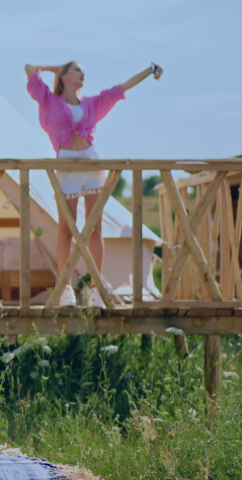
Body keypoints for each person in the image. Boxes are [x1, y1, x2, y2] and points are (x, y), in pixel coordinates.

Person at [24, 61, 163, 307]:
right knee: (66, 231)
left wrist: (149, 70)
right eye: (76, 69)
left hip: (91, 166)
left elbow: (120, 89)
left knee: (94, 229)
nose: (83, 73)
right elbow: (29, 69)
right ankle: (66, 289)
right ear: (65, 75)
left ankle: (95, 290)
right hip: (66, 169)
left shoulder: (91, 103)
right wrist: (54, 68)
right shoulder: (50, 100)